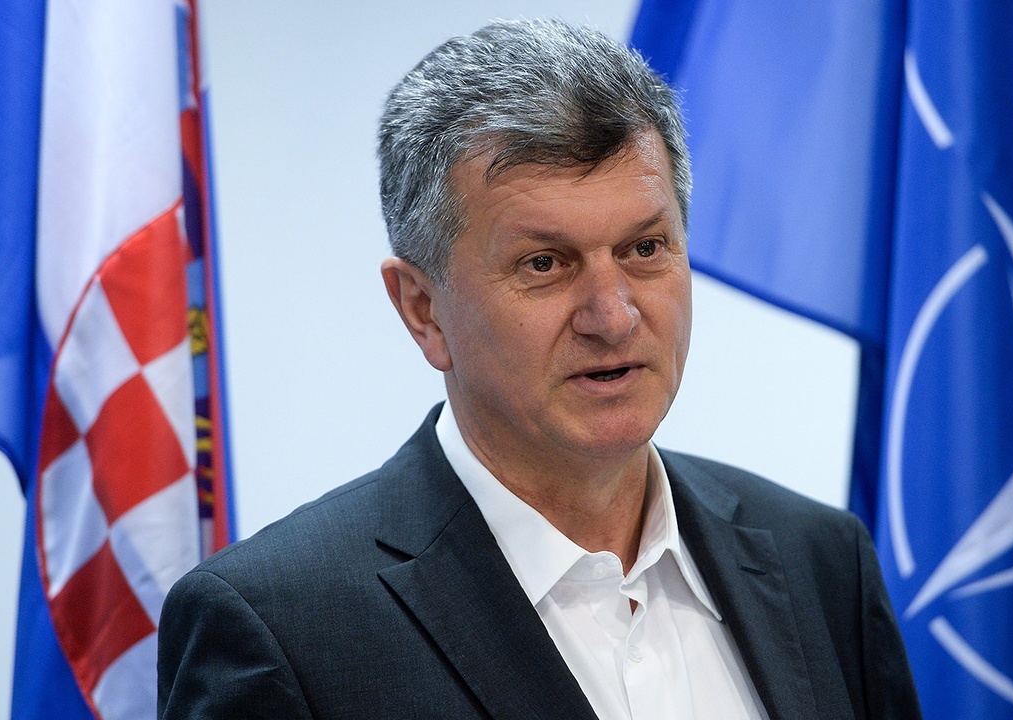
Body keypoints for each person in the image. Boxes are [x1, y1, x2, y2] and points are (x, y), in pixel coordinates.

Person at [157, 18, 921, 720]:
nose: (612, 316)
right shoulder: (280, 631)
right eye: (545, 264)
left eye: (644, 249)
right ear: (422, 309)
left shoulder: (821, 561)